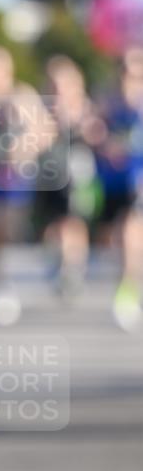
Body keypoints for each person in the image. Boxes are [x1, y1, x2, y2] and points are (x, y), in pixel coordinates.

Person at [0, 46, 56, 326]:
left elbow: (46, 129)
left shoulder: (21, 95)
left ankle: (12, 276)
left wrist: (24, 147)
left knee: (7, 228)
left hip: (14, 174)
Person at [37, 55, 102, 298]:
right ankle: (58, 259)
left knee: (73, 221)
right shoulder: (44, 110)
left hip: (77, 174)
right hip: (50, 174)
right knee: (53, 222)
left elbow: (95, 133)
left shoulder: (84, 108)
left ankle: (73, 265)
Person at [93, 47, 143, 330]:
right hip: (111, 182)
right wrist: (103, 143)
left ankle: (127, 292)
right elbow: (93, 133)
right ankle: (129, 283)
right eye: (125, 70)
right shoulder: (108, 105)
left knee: (129, 234)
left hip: (138, 182)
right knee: (116, 240)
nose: (129, 76)